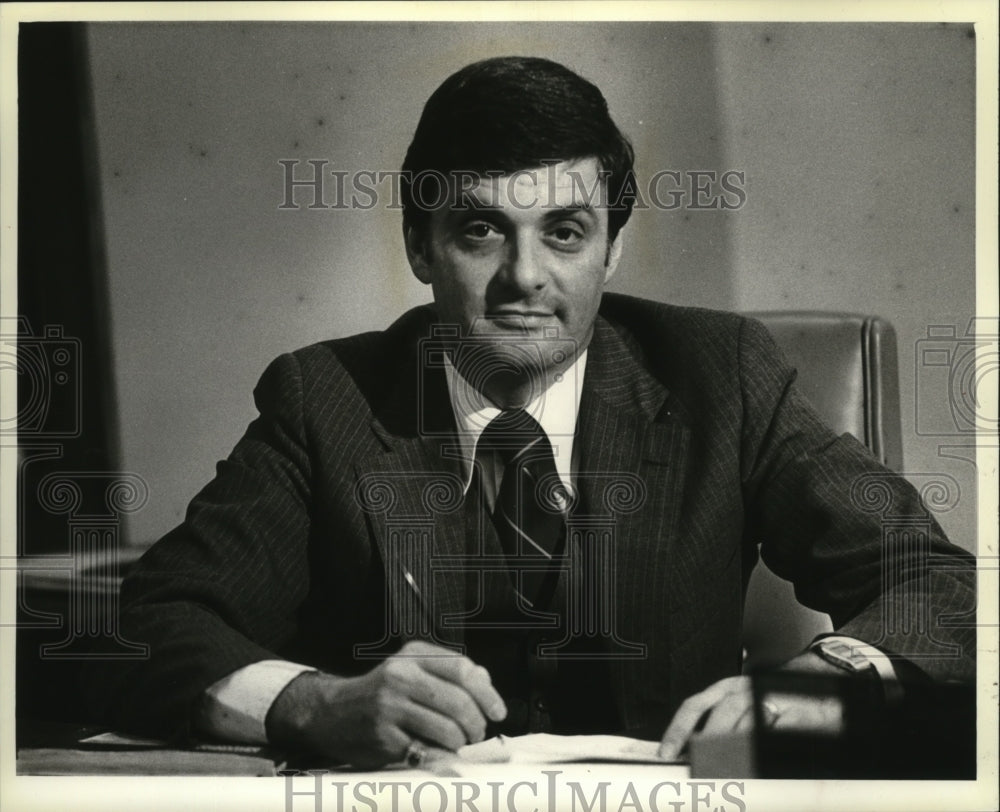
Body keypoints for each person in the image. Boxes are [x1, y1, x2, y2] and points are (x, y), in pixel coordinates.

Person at [82, 56, 975, 769]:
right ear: (419, 247)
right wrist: (317, 702)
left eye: (565, 231)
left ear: (613, 249)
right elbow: (149, 626)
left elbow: (940, 585)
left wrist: (813, 692)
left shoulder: (719, 376)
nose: (525, 279)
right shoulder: (325, 399)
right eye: (479, 232)